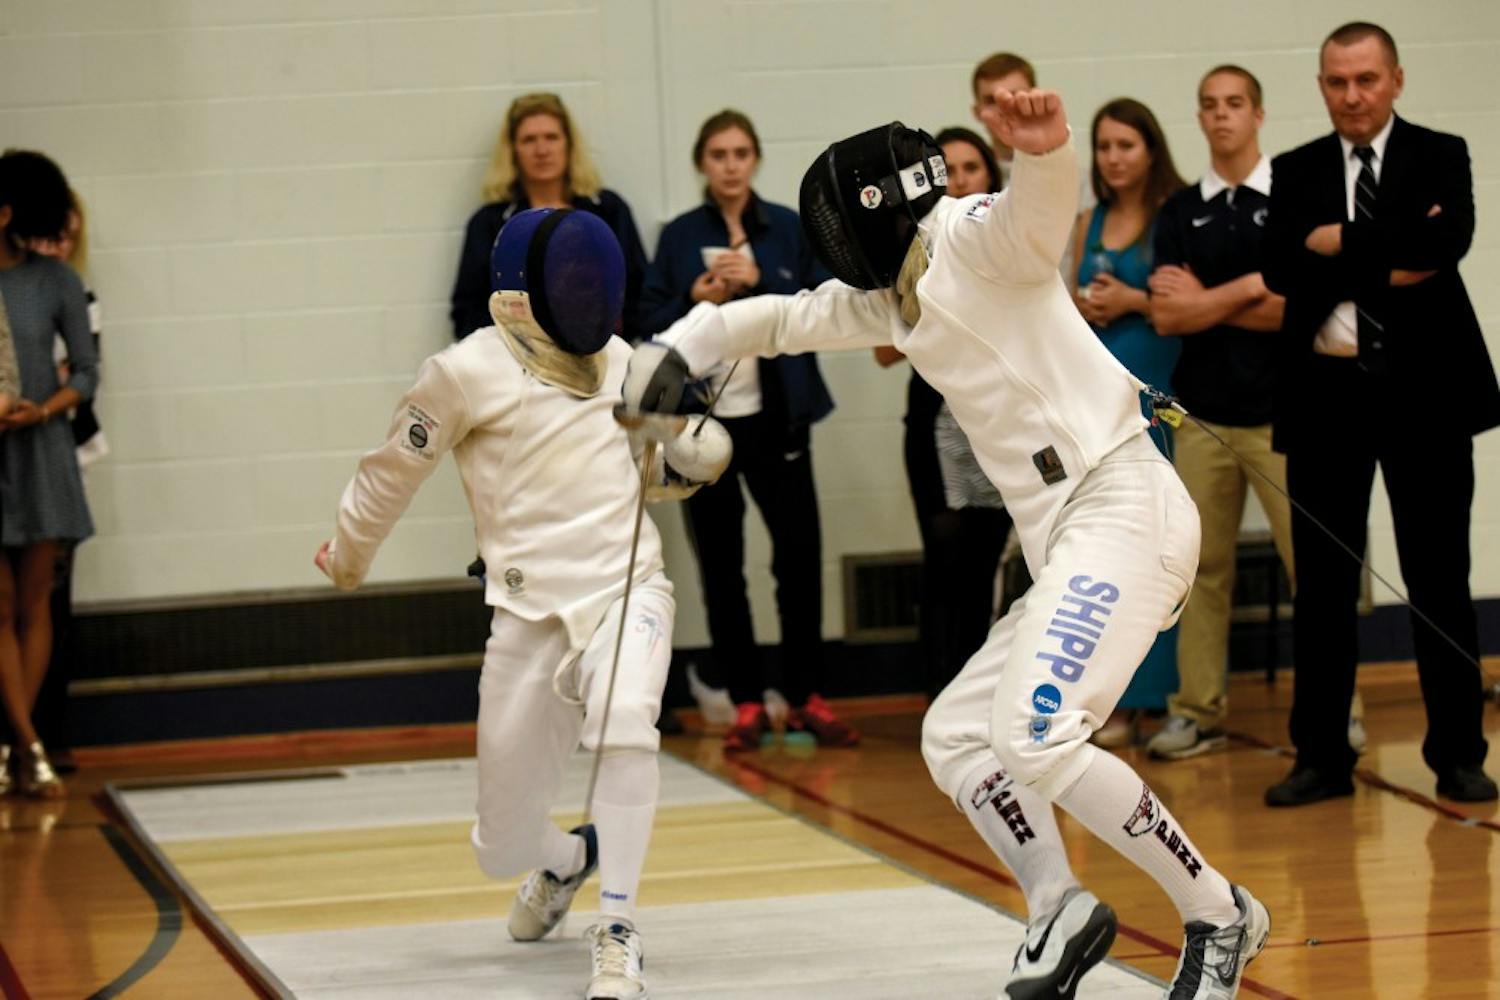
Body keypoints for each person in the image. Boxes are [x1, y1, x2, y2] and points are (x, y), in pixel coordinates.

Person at [624, 88, 1270, 999]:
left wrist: (1046, 151)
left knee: (1037, 734)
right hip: (1070, 542)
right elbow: (770, 319)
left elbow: (1034, 215)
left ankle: (1220, 914)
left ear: (870, 213)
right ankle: (1058, 904)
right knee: (960, 737)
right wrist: (671, 353)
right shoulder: (893, 299)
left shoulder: (974, 237)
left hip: (1125, 510)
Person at [316, 207, 730, 999]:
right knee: (499, 847)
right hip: (528, 615)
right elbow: (391, 472)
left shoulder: (623, 362)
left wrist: (688, 457)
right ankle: (570, 860)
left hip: (626, 590)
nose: (586, 293)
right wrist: (348, 555)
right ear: (523, 288)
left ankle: (618, 930)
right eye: (570, 277)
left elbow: (637, 474)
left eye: (591, 277)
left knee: (626, 725)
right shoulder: (464, 372)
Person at [1262, 22, 1500, 806]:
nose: (1352, 96)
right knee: (1324, 585)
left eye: (1366, 79)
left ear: (1396, 79)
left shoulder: (1440, 153)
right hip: (1326, 396)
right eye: (1337, 82)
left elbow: (1446, 243)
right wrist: (1390, 250)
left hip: (1426, 396)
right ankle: (1322, 757)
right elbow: (1282, 268)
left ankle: (1459, 753)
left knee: (1439, 576)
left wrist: (1338, 241)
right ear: (1321, 85)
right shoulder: (1295, 168)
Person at [638, 109, 854, 753]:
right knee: (721, 568)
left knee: (799, 559)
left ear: (754, 159)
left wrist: (765, 283)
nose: (730, 166)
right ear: (702, 164)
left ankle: (807, 696)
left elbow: (827, 303)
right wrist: (696, 298)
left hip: (778, 419)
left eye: (740, 153)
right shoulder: (680, 236)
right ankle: (746, 703)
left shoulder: (786, 227)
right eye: (718, 155)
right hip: (701, 429)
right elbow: (648, 320)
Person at [873, 126, 1011, 700]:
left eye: (971, 168)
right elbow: (884, 351)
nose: (959, 179)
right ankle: (939, 691)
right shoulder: (908, 247)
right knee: (945, 558)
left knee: (985, 562)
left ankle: (975, 695)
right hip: (937, 427)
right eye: (946, 170)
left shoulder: (1010, 247)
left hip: (999, 423)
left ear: (991, 177)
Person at [1068, 98, 1186, 747]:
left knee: (1164, 546)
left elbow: (1184, 304)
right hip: (1100, 398)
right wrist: (1084, 305)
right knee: (1110, 548)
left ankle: (1163, 696)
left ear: (1151, 150)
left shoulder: (1175, 214)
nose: (1113, 158)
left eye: (1126, 145)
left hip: (1160, 390)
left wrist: (1133, 300)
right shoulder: (1087, 220)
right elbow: (1061, 300)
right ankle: (1109, 696)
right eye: (1104, 146)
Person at [0, 150, 96, 800]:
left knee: (36, 604)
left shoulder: (54, 281)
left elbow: (87, 373)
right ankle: (27, 746)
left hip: (41, 449)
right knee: (0, 607)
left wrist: (43, 408)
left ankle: (18, 745)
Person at [450, 92, 648, 343]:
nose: (542, 150)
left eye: (551, 137)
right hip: (516, 357)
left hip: (600, 350)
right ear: (513, 151)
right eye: (529, 140)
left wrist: (606, 342)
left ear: (569, 144)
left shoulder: (608, 210)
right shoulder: (489, 223)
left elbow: (638, 290)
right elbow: (468, 311)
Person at [31, 193, 104, 774]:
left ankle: (47, 735)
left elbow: (81, 376)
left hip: (59, 459)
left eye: (68, 238)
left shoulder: (77, 296)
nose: (59, 247)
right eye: (51, 235)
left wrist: (41, 402)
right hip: (19, 456)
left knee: (52, 603)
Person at [969, 52, 1037, 188]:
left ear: (1035, 100)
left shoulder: (1071, 176)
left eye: (1015, 97)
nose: (1004, 109)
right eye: (991, 101)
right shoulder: (962, 182)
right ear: (977, 112)